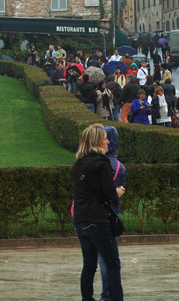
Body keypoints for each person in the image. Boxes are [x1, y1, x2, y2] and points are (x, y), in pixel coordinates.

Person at [72, 124, 126, 301]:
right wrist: (117, 192)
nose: (108, 141)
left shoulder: (79, 163)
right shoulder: (101, 162)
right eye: (104, 138)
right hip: (98, 220)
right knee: (112, 264)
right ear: (97, 142)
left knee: (88, 265)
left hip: (80, 219)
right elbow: (109, 193)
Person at [97, 126, 127, 301]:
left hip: (98, 213)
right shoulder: (120, 167)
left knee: (101, 259)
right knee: (110, 258)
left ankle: (106, 294)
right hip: (113, 213)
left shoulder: (97, 163)